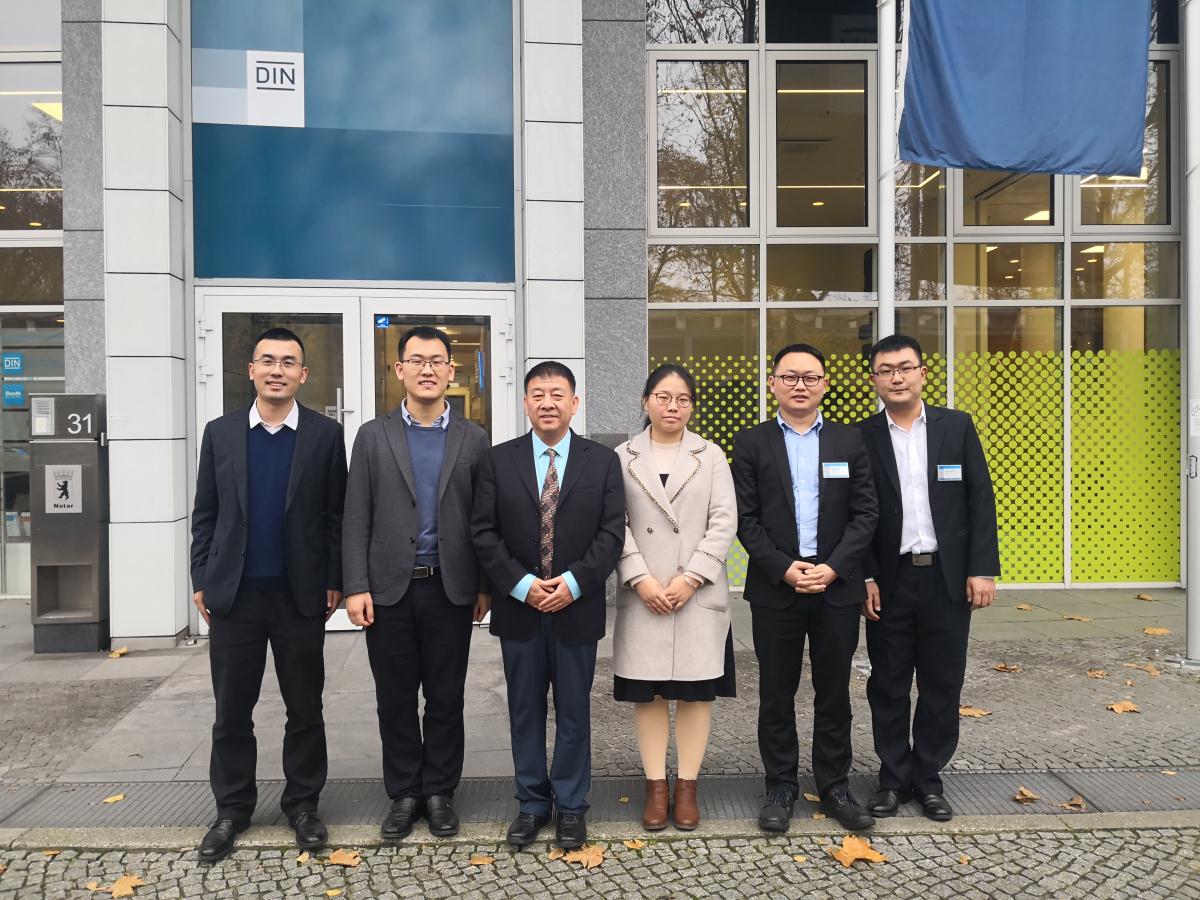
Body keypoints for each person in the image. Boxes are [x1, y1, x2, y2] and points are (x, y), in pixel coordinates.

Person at [190, 327, 347, 863]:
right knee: (232, 711)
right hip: (235, 597)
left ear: (303, 374)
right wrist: (201, 578)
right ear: (251, 370)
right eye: (267, 361)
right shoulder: (221, 433)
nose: (277, 370)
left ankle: (303, 806)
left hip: (299, 596)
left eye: (288, 362)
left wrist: (334, 578)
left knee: (305, 708)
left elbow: (335, 516)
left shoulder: (325, 435)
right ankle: (232, 809)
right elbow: (206, 513)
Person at [342, 325, 492, 840]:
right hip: (389, 591)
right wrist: (355, 585)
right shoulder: (372, 436)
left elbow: (483, 518)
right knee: (396, 697)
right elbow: (355, 516)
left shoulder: (474, 438)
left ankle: (441, 791)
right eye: (417, 360)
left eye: (436, 361)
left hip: (451, 588)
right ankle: (405, 792)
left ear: (451, 370)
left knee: (447, 696)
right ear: (399, 369)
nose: (427, 369)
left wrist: (484, 585)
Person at [472, 361, 624, 850]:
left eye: (557, 394)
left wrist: (575, 583)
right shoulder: (498, 460)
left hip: (576, 608)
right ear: (525, 403)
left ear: (574, 403)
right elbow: (483, 532)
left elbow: (611, 533)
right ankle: (532, 804)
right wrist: (521, 585)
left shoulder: (602, 461)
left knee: (574, 711)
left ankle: (572, 807)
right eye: (537, 394)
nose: (547, 403)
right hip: (520, 608)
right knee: (525, 710)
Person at [732, 342, 878, 834]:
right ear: (772, 383)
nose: (800, 385)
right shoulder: (751, 442)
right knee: (777, 691)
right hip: (777, 586)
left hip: (836, 587)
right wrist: (784, 567)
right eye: (790, 376)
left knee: (834, 691)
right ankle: (780, 786)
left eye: (810, 377)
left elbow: (866, 513)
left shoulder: (849, 440)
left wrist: (833, 568)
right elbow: (745, 518)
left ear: (825, 385)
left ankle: (835, 785)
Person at [857, 334, 1000, 822]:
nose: (896, 377)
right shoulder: (862, 436)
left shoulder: (955, 427)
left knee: (943, 681)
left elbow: (980, 499)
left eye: (905, 367)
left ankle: (929, 778)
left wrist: (982, 568)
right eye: (885, 370)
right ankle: (893, 778)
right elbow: (858, 513)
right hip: (890, 580)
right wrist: (865, 576)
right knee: (888, 682)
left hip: (947, 578)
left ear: (922, 372)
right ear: (874, 379)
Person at [613, 364, 737, 832]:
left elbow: (724, 520)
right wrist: (639, 577)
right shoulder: (622, 456)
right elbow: (614, 522)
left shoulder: (711, 455)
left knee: (695, 693)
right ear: (646, 400)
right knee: (647, 694)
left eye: (683, 399)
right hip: (643, 593)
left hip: (696, 594)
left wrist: (693, 577)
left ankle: (686, 785)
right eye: (663, 397)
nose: (673, 406)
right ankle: (655, 786)